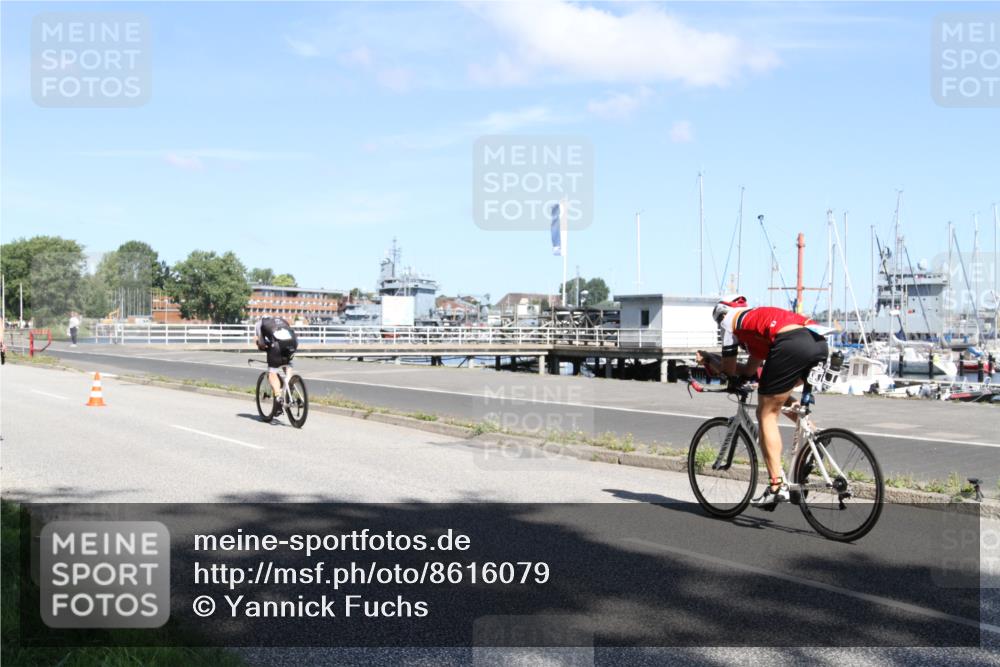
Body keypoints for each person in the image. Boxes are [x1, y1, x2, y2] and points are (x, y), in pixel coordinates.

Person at [696, 296, 829, 510]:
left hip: (791, 344)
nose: (720, 325)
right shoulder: (755, 323)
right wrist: (724, 365)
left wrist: (711, 360)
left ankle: (776, 486)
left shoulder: (730, 321)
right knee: (778, 397)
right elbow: (748, 371)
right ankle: (814, 436)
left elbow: (729, 370)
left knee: (766, 413)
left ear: (721, 313)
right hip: (818, 342)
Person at [255, 315, 298, 416]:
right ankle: (289, 383)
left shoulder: (259, 323)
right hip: (293, 343)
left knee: (272, 373)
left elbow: (261, 343)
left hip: (277, 345)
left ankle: (278, 398)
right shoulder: (282, 320)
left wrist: (261, 346)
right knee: (286, 363)